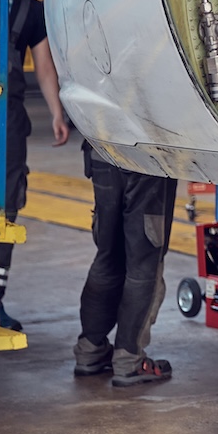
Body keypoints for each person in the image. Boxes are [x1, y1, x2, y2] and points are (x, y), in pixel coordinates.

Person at [0, 0, 70, 332]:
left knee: (6, 210)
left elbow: (44, 67)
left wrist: (57, 112)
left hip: (9, 124)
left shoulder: (30, 11)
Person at [72, 142, 176, 386]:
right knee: (144, 263)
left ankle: (90, 350)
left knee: (108, 256)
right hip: (147, 155)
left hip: (100, 149)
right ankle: (129, 360)